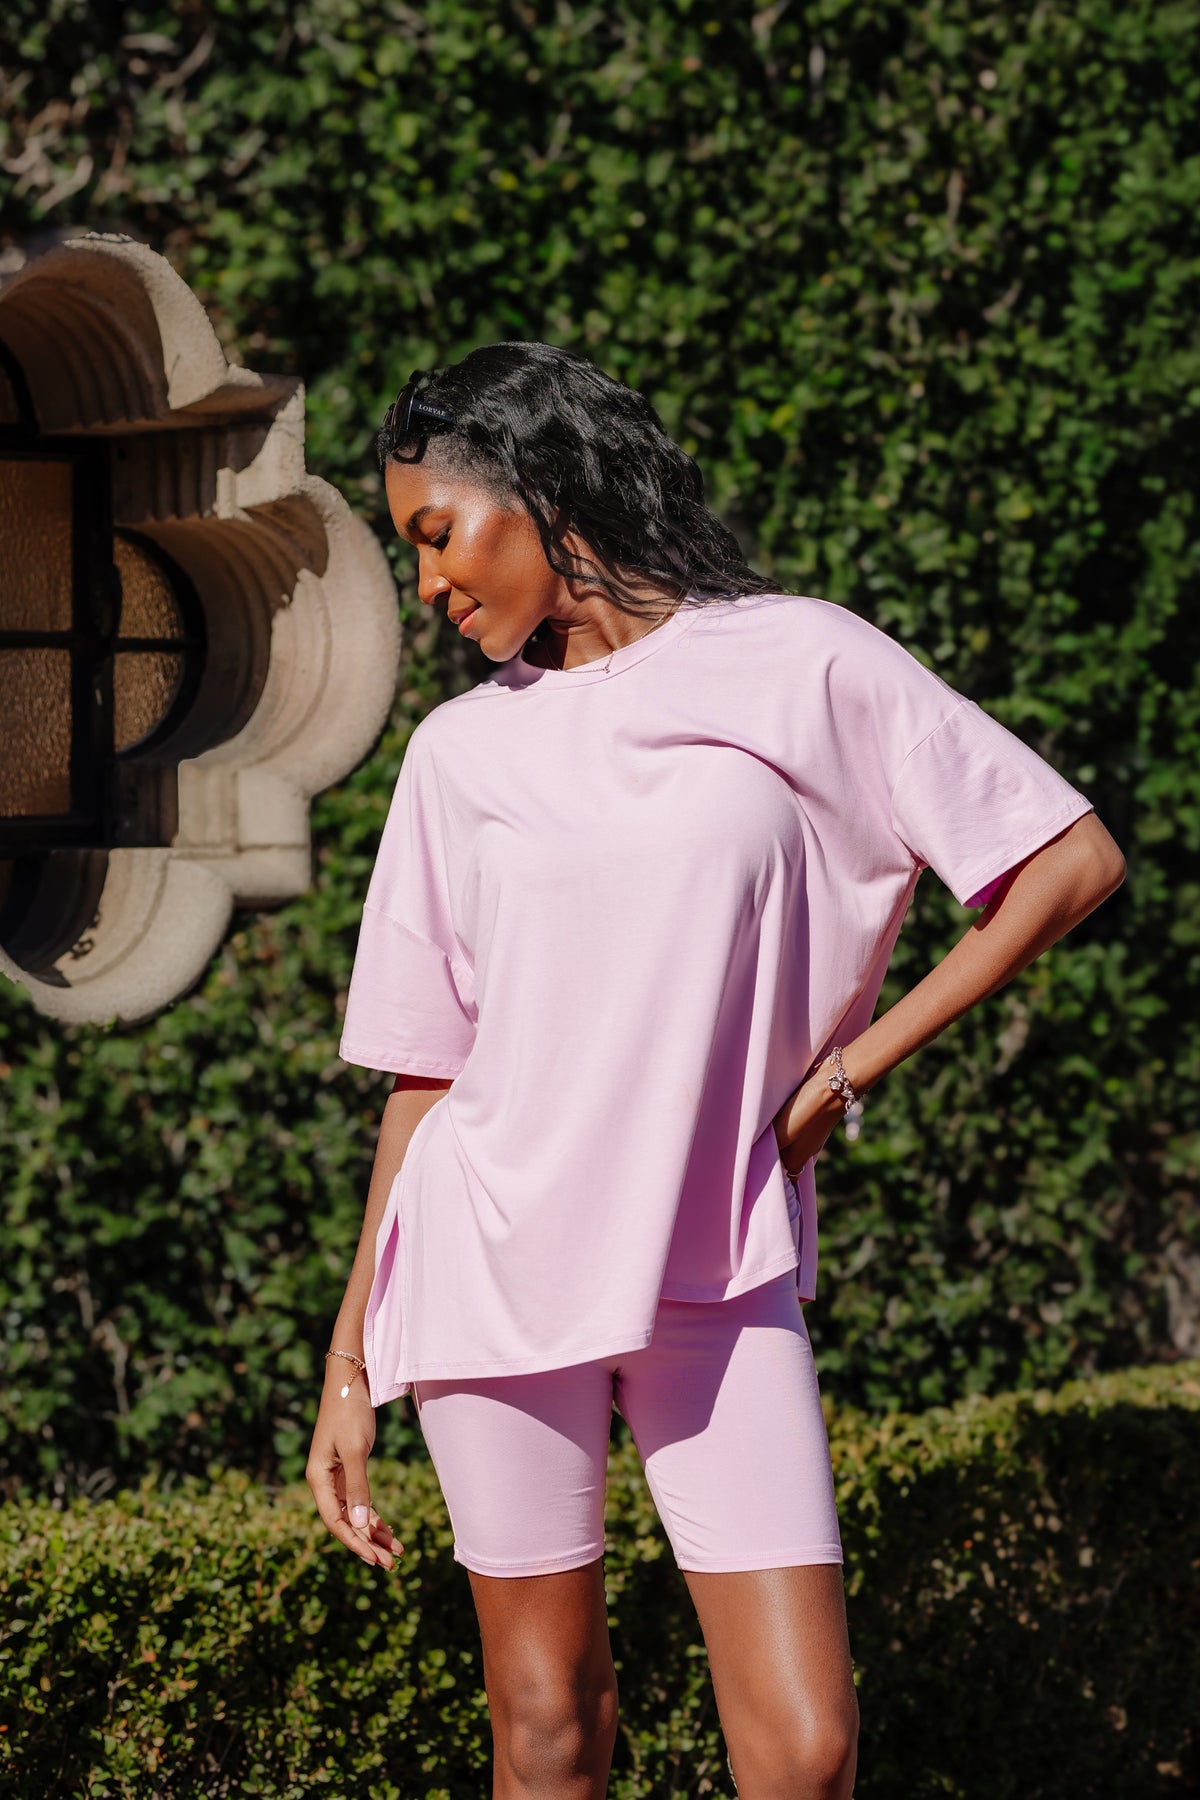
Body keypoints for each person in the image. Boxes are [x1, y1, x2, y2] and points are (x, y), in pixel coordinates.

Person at [306, 341, 1125, 1800]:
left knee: (805, 1746)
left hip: (716, 1254)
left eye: (438, 535)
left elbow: (1064, 862)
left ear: (544, 491)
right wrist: (352, 1358)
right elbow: (428, 1076)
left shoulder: (801, 656)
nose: (429, 587)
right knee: (550, 1730)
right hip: (491, 1258)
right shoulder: (455, 756)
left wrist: (850, 1072)